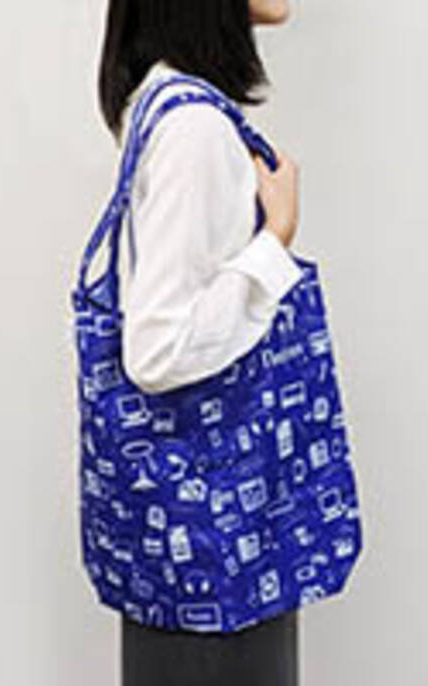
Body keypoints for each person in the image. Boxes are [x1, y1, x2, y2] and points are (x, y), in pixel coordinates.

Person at [96, 1, 304, 685]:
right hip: (222, 550)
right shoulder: (195, 129)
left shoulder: (166, 104)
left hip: (199, 547)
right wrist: (275, 239)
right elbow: (157, 350)